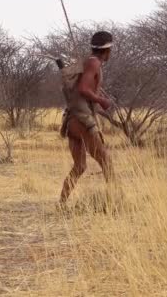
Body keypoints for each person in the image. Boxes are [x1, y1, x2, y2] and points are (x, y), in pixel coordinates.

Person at [59, 31, 115, 204]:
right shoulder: (93, 64)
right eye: (110, 49)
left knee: (80, 166)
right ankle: (116, 201)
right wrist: (101, 100)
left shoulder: (86, 63)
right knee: (106, 161)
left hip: (71, 121)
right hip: (83, 121)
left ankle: (61, 204)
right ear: (106, 50)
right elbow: (83, 88)